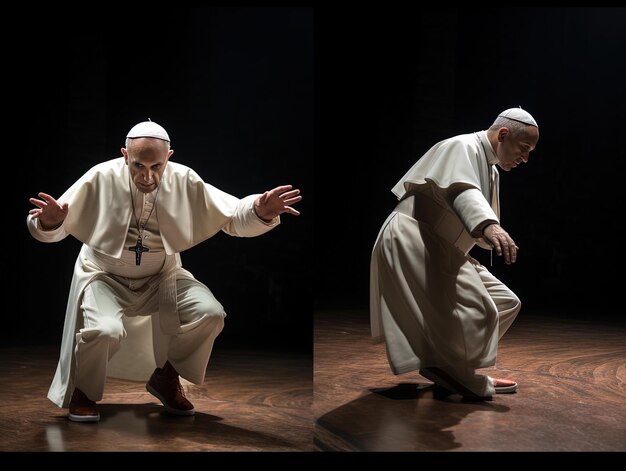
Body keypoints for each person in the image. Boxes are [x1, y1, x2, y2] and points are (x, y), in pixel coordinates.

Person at [27, 120, 302, 422]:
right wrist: (49, 223)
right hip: (104, 277)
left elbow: (234, 215)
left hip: (161, 277)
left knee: (210, 313)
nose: (148, 176)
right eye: (138, 166)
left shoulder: (184, 179)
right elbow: (53, 225)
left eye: (156, 166)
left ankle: (167, 377)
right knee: (105, 331)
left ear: (169, 156)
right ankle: (84, 391)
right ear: (124, 155)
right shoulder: (100, 177)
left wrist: (259, 211)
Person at [370, 107, 539, 400]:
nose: (525, 158)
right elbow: (462, 191)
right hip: (414, 236)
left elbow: (470, 209)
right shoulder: (462, 146)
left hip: (441, 246)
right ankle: (454, 374)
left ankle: (454, 369)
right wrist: (490, 225)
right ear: (503, 134)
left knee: (505, 302)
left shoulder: (492, 171)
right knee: (482, 308)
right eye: (524, 149)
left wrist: (488, 228)